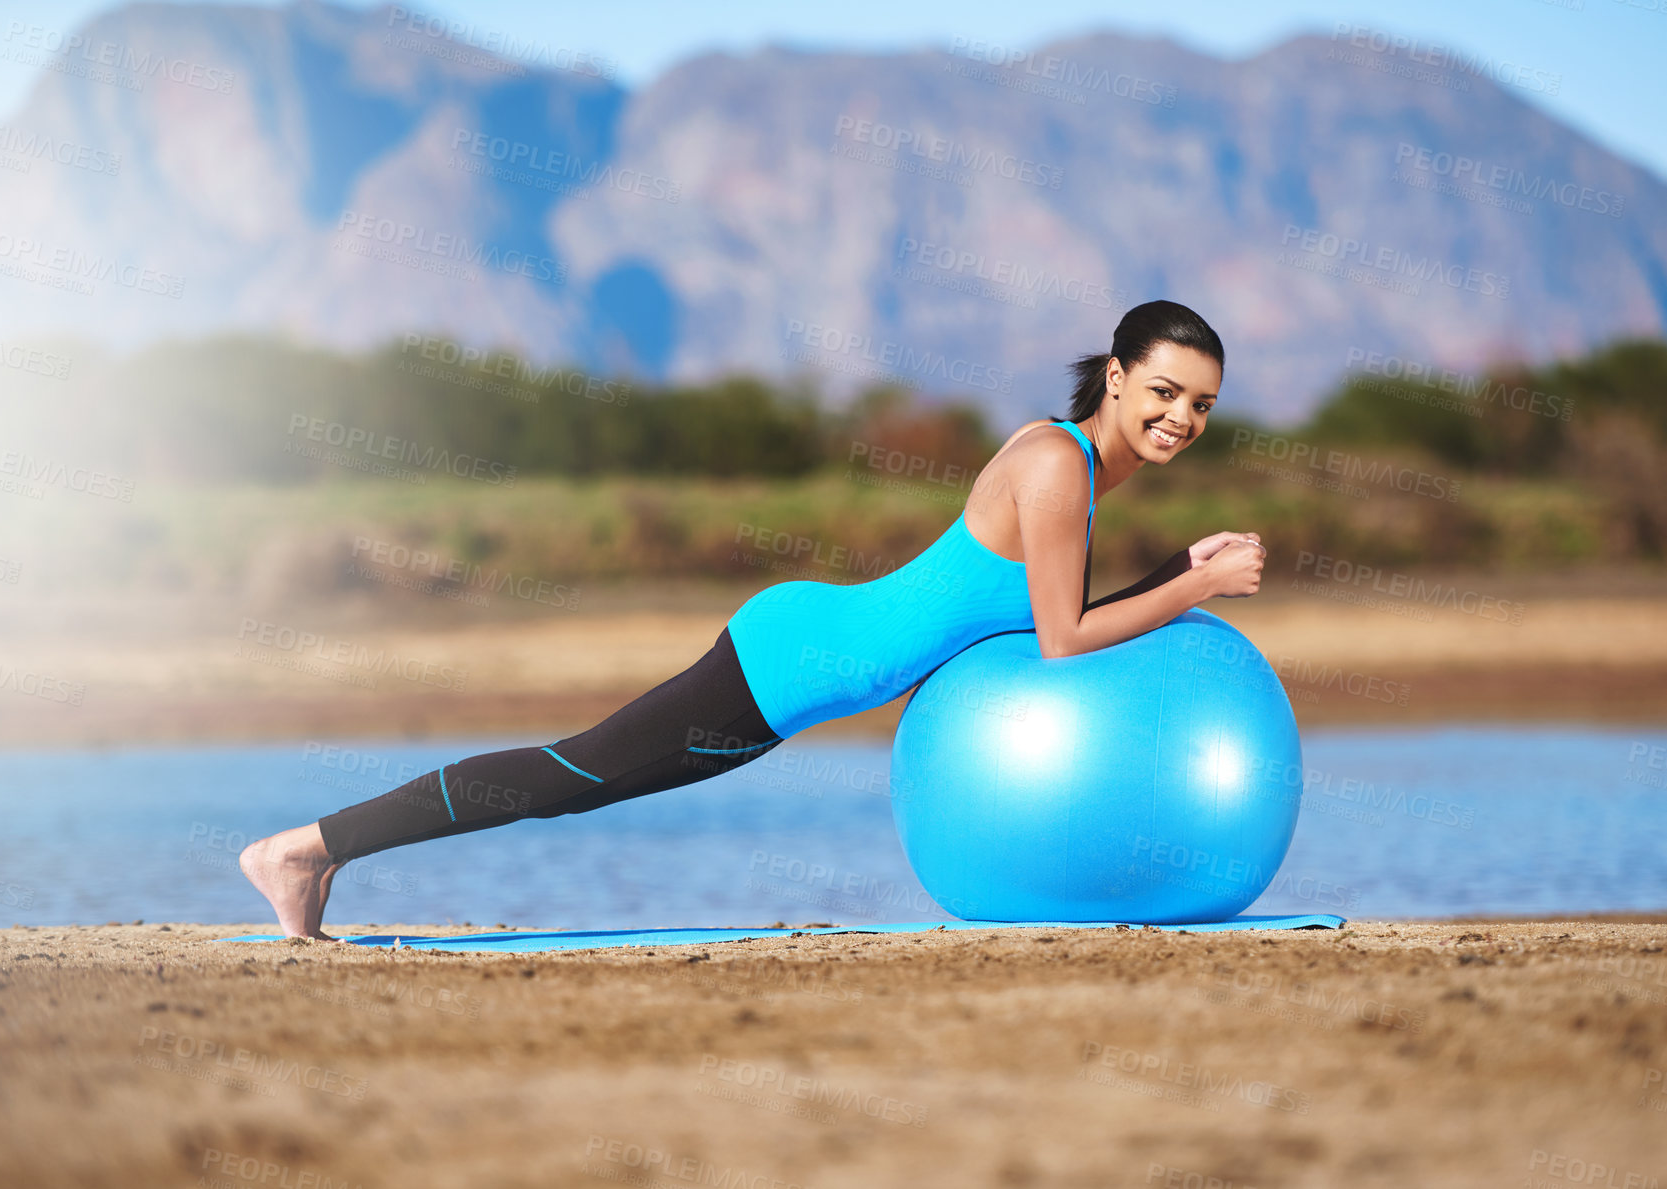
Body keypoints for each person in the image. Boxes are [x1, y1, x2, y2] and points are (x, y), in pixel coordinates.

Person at [240, 300, 1265, 938]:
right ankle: (305, 848)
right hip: (794, 660)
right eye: (1165, 391)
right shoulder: (1056, 466)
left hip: (806, 668)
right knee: (572, 775)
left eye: (1203, 405)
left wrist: (1178, 565)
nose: (1180, 417)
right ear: (1118, 375)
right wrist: (1192, 587)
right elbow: (1061, 641)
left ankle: (318, 853)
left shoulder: (1080, 467)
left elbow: (1056, 610)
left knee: (576, 780)